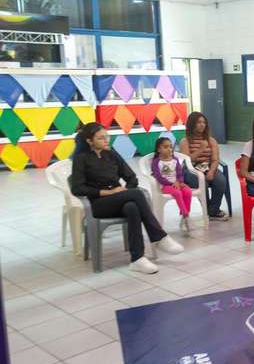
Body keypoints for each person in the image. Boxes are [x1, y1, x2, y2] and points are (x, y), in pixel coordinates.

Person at [70, 123, 183, 274]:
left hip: (119, 198)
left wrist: (124, 192)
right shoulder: (81, 159)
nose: (106, 141)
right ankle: (159, 236)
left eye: (107, 137)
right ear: (90, 141)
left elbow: (131, 178)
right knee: (137, 194)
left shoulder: (111, 154)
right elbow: (77, 188)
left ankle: (137, 259)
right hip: (98, 204)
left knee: (132, 206)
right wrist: (108, 193)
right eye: (101, 138)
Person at [179, 112, 228, 221]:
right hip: (192, 170)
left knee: (220, 180)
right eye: (198, 122)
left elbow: (215, 159)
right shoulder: (185, 141)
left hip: (208, 167)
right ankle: (208, 209)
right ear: (192, 124)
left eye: (204, 122)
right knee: (202, 183)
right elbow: (187, 160)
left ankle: (213, 210)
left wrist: (211, 171)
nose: (202, 125)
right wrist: (201, 149)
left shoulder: (211, 140)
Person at [151, 137, 193, 233]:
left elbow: (180, 173)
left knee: (188, 191)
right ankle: (186, 215)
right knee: (177, 193)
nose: (169, 149)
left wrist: (179, 182)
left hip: (177, 183)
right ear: (158, 149)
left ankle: (185, 214)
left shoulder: (175, 160)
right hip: (166, 186)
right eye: (165, 147)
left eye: (171, 146)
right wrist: (172, 184)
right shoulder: (156, 162)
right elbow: (159, 177)